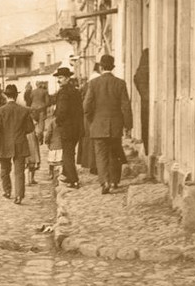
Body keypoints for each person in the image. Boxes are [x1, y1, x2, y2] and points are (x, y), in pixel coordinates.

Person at [83, 54, 132, 194]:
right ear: (113, 67)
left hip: (98, 125)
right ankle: (114, 181)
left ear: (101, 67)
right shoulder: (120, 83)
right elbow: (126, 106)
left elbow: (86, 107)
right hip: (115, 125)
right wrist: (128, 125)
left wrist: (92, 120)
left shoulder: (93, 83)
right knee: (115, 153)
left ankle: (104, 181)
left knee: (101, 155)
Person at [0, 84, 35, 204]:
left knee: (4, 169)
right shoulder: (24, 110)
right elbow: (30, 128)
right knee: (19, 171)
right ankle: (19, 196)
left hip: (4, 145)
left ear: (5, 96)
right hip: (20, 143)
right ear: (16, 95)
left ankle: (7, 191)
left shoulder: (0, 111)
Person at [54, 67, 84, 189]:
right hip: (77, 127)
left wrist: (57, 120)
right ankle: (66, 175)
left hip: (67, 128)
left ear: (67, 78)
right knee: (70, 152)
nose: (58, 80)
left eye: (60, 78)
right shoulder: (75, 91)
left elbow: (62, 111)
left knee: (67, 154)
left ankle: (74, 180)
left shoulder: (63, 93)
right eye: (58, 78)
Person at [133, 48, 149, 155]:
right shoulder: (147, 70)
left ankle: (147, 149)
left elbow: (136, 80)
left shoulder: (139, 72)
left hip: (145, 103)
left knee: (145, 126)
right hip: (149, 102)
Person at [44, 105, 63, 180]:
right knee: (61, 161)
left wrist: (47, 141)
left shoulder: (52, 122)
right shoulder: (64, 122)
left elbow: (49, 133)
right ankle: (60, 174)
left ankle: (51, 174)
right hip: (61, 145)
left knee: (51, 162)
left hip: (53, 145)